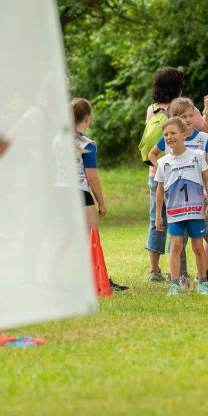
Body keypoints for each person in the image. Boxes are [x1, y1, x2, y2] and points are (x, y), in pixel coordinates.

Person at [148, 97, 208, 283]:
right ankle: (182, 276)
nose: (188, 119)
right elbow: (152, 154)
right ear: (174, 118)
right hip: (176, 199)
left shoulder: (203, 139)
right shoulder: (169, 137)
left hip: (199, 198)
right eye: (183, 116)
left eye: (191, 115)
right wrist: (163, 171)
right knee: (178, 242)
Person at [154, 118, 208, 296]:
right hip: (175, 212)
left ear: (184, 134)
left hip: (196, 211)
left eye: (173, 133)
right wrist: (158, 215)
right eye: (166, 134)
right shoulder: (163, 162)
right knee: (176, 246)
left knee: (198, 246)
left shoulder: (197, 155)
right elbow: (159, 190)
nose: (169, 137)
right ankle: (174, 284)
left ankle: (203, 282)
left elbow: (207, 179)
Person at [72, 98, 127, 291]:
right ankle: (97, 279)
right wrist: (101, 203)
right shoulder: (87, 144)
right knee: (91, 237)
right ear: (87, 118)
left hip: (60, 192)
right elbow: (92, 177)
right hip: (80, 192)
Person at [143, 67, 184, 282]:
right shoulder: (177, 109)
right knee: (177, 218)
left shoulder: (152, 110)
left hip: (155, 170)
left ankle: (154, 269)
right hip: (177, 171)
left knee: (156, 218)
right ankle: (175, 268)